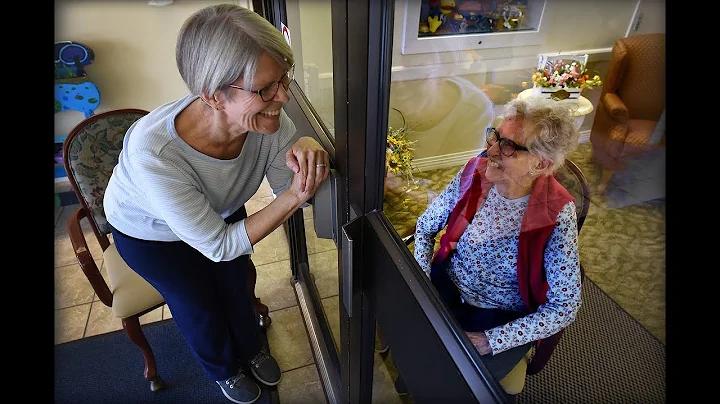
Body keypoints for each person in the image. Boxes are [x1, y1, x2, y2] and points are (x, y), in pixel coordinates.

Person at [102, 4, 330, 404]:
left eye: (284, 79)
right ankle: (224, 370)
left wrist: (308, 147)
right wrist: (297, 194)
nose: (284, 96)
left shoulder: (269, 121)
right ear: (213, 95)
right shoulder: (154, 152)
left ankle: (252, 348)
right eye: (265, 89)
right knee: (197, 304)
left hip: (220, 209)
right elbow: (221, 244)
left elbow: (287, 189)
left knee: (237, 285)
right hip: (150, 234)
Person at [413, 96, 583, 383]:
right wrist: (420, 281)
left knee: (460, 380)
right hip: (446, 287)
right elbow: (426, 227)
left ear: (540, 164)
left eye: (508, 146)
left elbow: (565, 306)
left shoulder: (556, 212)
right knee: (416, 350)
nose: (490, 150)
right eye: (495, 136)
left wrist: (490, 340)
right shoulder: (475, 171)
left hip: (498, 315)